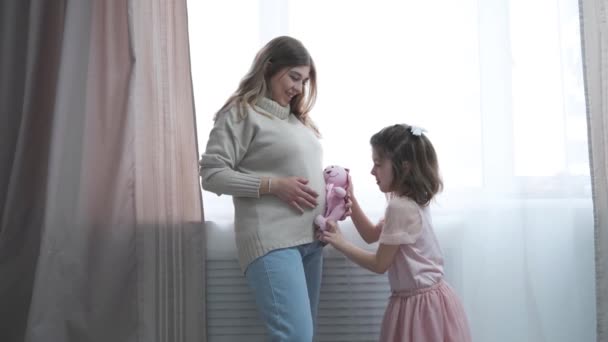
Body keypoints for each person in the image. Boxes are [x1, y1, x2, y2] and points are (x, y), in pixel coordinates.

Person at [199, 36, 327, 341]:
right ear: (269, 68)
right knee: (294, 337)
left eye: (304, 81)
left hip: (310, 242)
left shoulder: (298, 122)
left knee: (300, 338)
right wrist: (273, 186)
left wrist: (333, 196)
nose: (298, 87)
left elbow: (297, 171)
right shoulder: (241, 114)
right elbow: (211, 174)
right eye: (293, 77)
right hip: (272, 241)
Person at [320, 124, 472, 342]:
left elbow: (379, 264)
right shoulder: (409, 200)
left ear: (405, 167)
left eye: (378, 164)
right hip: (430, 301)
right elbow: (371, 235)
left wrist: (339, 242)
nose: (372, 171)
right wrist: (350, 198)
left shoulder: (400, 207)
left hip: (420, 307)